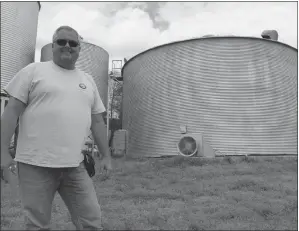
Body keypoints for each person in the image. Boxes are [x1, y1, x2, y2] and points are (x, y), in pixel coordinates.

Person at [1, 25, 112, 230]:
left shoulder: (88, 81)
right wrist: (2, 152)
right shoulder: (34, 71)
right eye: (62, 42)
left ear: (79, 48)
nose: (67, 46)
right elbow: (11, 112)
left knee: (92, 221)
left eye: (73, 43)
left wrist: (106, 156)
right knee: (37, 225)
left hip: (75, 165)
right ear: (53, 46)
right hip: (35, 164)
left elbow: (97, 121)